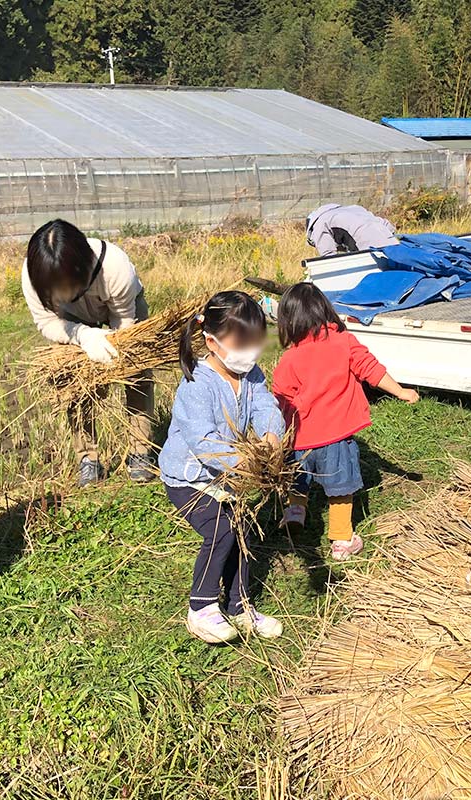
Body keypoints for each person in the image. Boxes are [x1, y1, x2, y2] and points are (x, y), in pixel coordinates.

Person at [158, 291, 285, 643]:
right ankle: (201, 608)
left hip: (227, 475)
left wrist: (271, 436)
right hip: (190, 477)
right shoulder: (196, 385)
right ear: (211, 342)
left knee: (242, 532)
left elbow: (266, 407)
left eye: (255, 343)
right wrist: (240, 461)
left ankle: (239, 605)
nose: (251, 352)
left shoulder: (251, 374)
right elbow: (203, 441)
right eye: (241, 343)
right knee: (221, 531)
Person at [272, 282, 419, 561]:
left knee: (298, 480)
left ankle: (295, 513)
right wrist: (400, 391)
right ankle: (341, 540)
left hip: (300, 439)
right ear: (324, 310)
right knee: (341, 489)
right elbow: (371, 370)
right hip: (336, 438)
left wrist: (280, 435)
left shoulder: (290, 358)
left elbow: (280, 397)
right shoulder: (344, 342)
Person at [22, 219, 153, 486]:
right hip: (68, 321)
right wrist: (82, 335)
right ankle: (88, 458)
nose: (59, 294)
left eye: (64, 288)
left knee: (137, 373)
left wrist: (110, 362)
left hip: (120, 310)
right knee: (74, 383)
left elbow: (124, 329)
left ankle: (140, 451)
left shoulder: (115, 268)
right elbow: (47, 322)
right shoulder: (33, 274)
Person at [306, 203, 398, 257]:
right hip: (394, 244)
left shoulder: (318, 224)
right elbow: (389, 227)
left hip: (369, 250)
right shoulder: (354, 209)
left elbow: (328, 256)